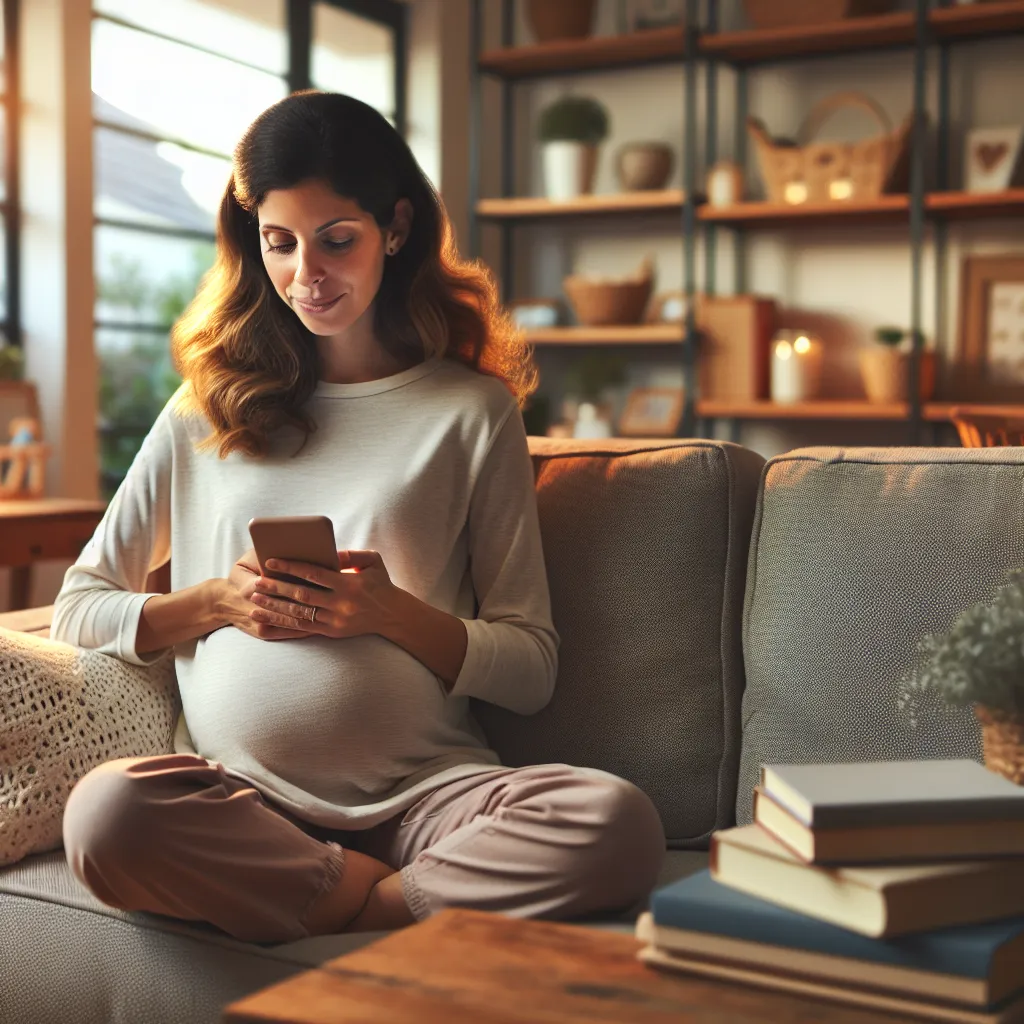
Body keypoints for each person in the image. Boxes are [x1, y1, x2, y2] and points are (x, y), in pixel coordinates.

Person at [54, 91, 665, 945]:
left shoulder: (471, 412)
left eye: (336, 239)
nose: (308, 273)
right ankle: (394, 906)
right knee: (106, 816)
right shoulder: (204, 410)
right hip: (244, 803)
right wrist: (214, 605)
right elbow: (80, 605)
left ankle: (353, 905)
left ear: (397, 227)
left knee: (616, 821)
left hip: (427, 799)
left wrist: (390, 614)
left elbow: (531, 665)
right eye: (280, 242)